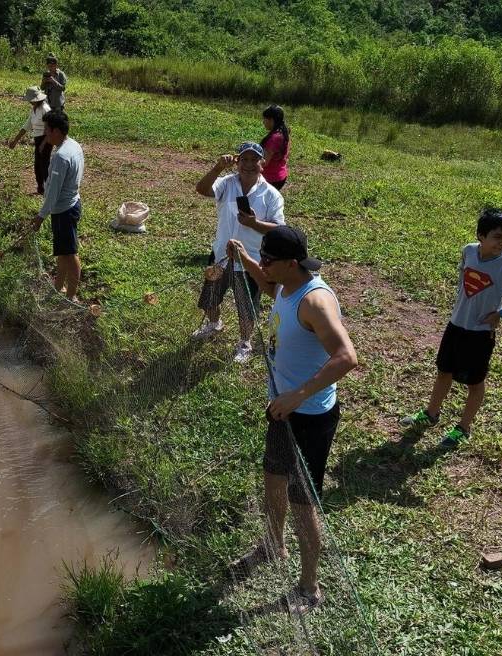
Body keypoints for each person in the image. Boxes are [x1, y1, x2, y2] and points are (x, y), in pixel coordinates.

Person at [224, 225, 359, 615]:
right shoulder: (283, 284)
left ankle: (309, 587)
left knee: (303, 504)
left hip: (309, 418)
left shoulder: (315, 302)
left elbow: (347, 357)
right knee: (273, 481)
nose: (263, 264)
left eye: (268, 259)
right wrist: (246, 261)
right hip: (281, 410)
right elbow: (271, 291)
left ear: (292, 263)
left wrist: (298, 393)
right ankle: (272, 545)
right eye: (261, 257)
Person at [399, 208, 502, 447]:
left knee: (474, 383)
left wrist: (501, 314)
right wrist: (460, 298)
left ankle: (463, 428)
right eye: (497, 236)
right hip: (456, 325)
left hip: (478, 335)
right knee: (444, 371)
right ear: (481, 235)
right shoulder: (469, 251)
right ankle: (431, 415)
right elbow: (463, 273)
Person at [195, 142, 286, 363]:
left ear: (262, 164)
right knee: (210, 298)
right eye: (243, 159)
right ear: (237, 163)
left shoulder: (271, 195)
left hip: (250, 261)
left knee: (247, 308)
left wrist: (255, 224)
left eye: (254, 160)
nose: (248, 165)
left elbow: (279, 228)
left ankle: (245, 342)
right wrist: (217, 167)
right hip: (221, 255)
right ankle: (214, 324)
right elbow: (202, 189)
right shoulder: (226, 184)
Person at [36, 110, 83, 300]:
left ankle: (70, 298)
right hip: (72, 204)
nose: (45, 133)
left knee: (70, 255)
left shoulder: (61, 157)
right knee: (62, 253)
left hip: (63, 211)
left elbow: (53, 192)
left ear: (56, 130)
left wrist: (41, 216)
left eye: (46, 129)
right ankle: (58, 287)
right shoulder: (74, 146)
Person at [4, 85, 53, 195]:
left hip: (46, 138)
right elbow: (27, 125)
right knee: (37, 164)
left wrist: (44, 143)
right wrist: (15, 140)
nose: (30, 102)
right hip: (37, 139)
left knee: (44, 164)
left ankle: (50, 188)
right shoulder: (34, 109)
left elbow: (51, 127)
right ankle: (40, 187)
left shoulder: (45, 109)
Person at [261, 105, 291, 190]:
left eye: (265, 119)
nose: (263, 122)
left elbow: (264, 162)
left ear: (271, 120)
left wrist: (244, 160)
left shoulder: (274, 138)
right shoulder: (284, 132)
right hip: (280, 176)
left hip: (269, 180)